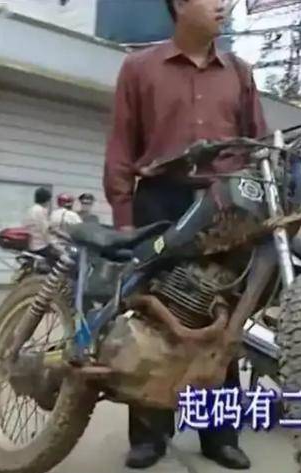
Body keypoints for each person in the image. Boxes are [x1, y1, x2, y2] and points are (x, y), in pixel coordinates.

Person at [103, 0, 267, 469]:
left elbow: (258, 144)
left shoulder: (240, 72)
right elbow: (121, 145)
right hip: (161, 201)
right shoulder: (139, 68)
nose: (223, 4)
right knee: (155, 316)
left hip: (226, 207)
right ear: (178, 5)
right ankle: (150, 434)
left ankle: (220, 436)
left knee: (223, 317)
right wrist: (124, 218)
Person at [24, 187, 58, 261]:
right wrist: (52, 243)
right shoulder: (41, 211)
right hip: (39, 246)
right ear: (47, 200)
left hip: (29, 244)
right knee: (59, 258)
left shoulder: (31, 210)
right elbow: (44, 230)